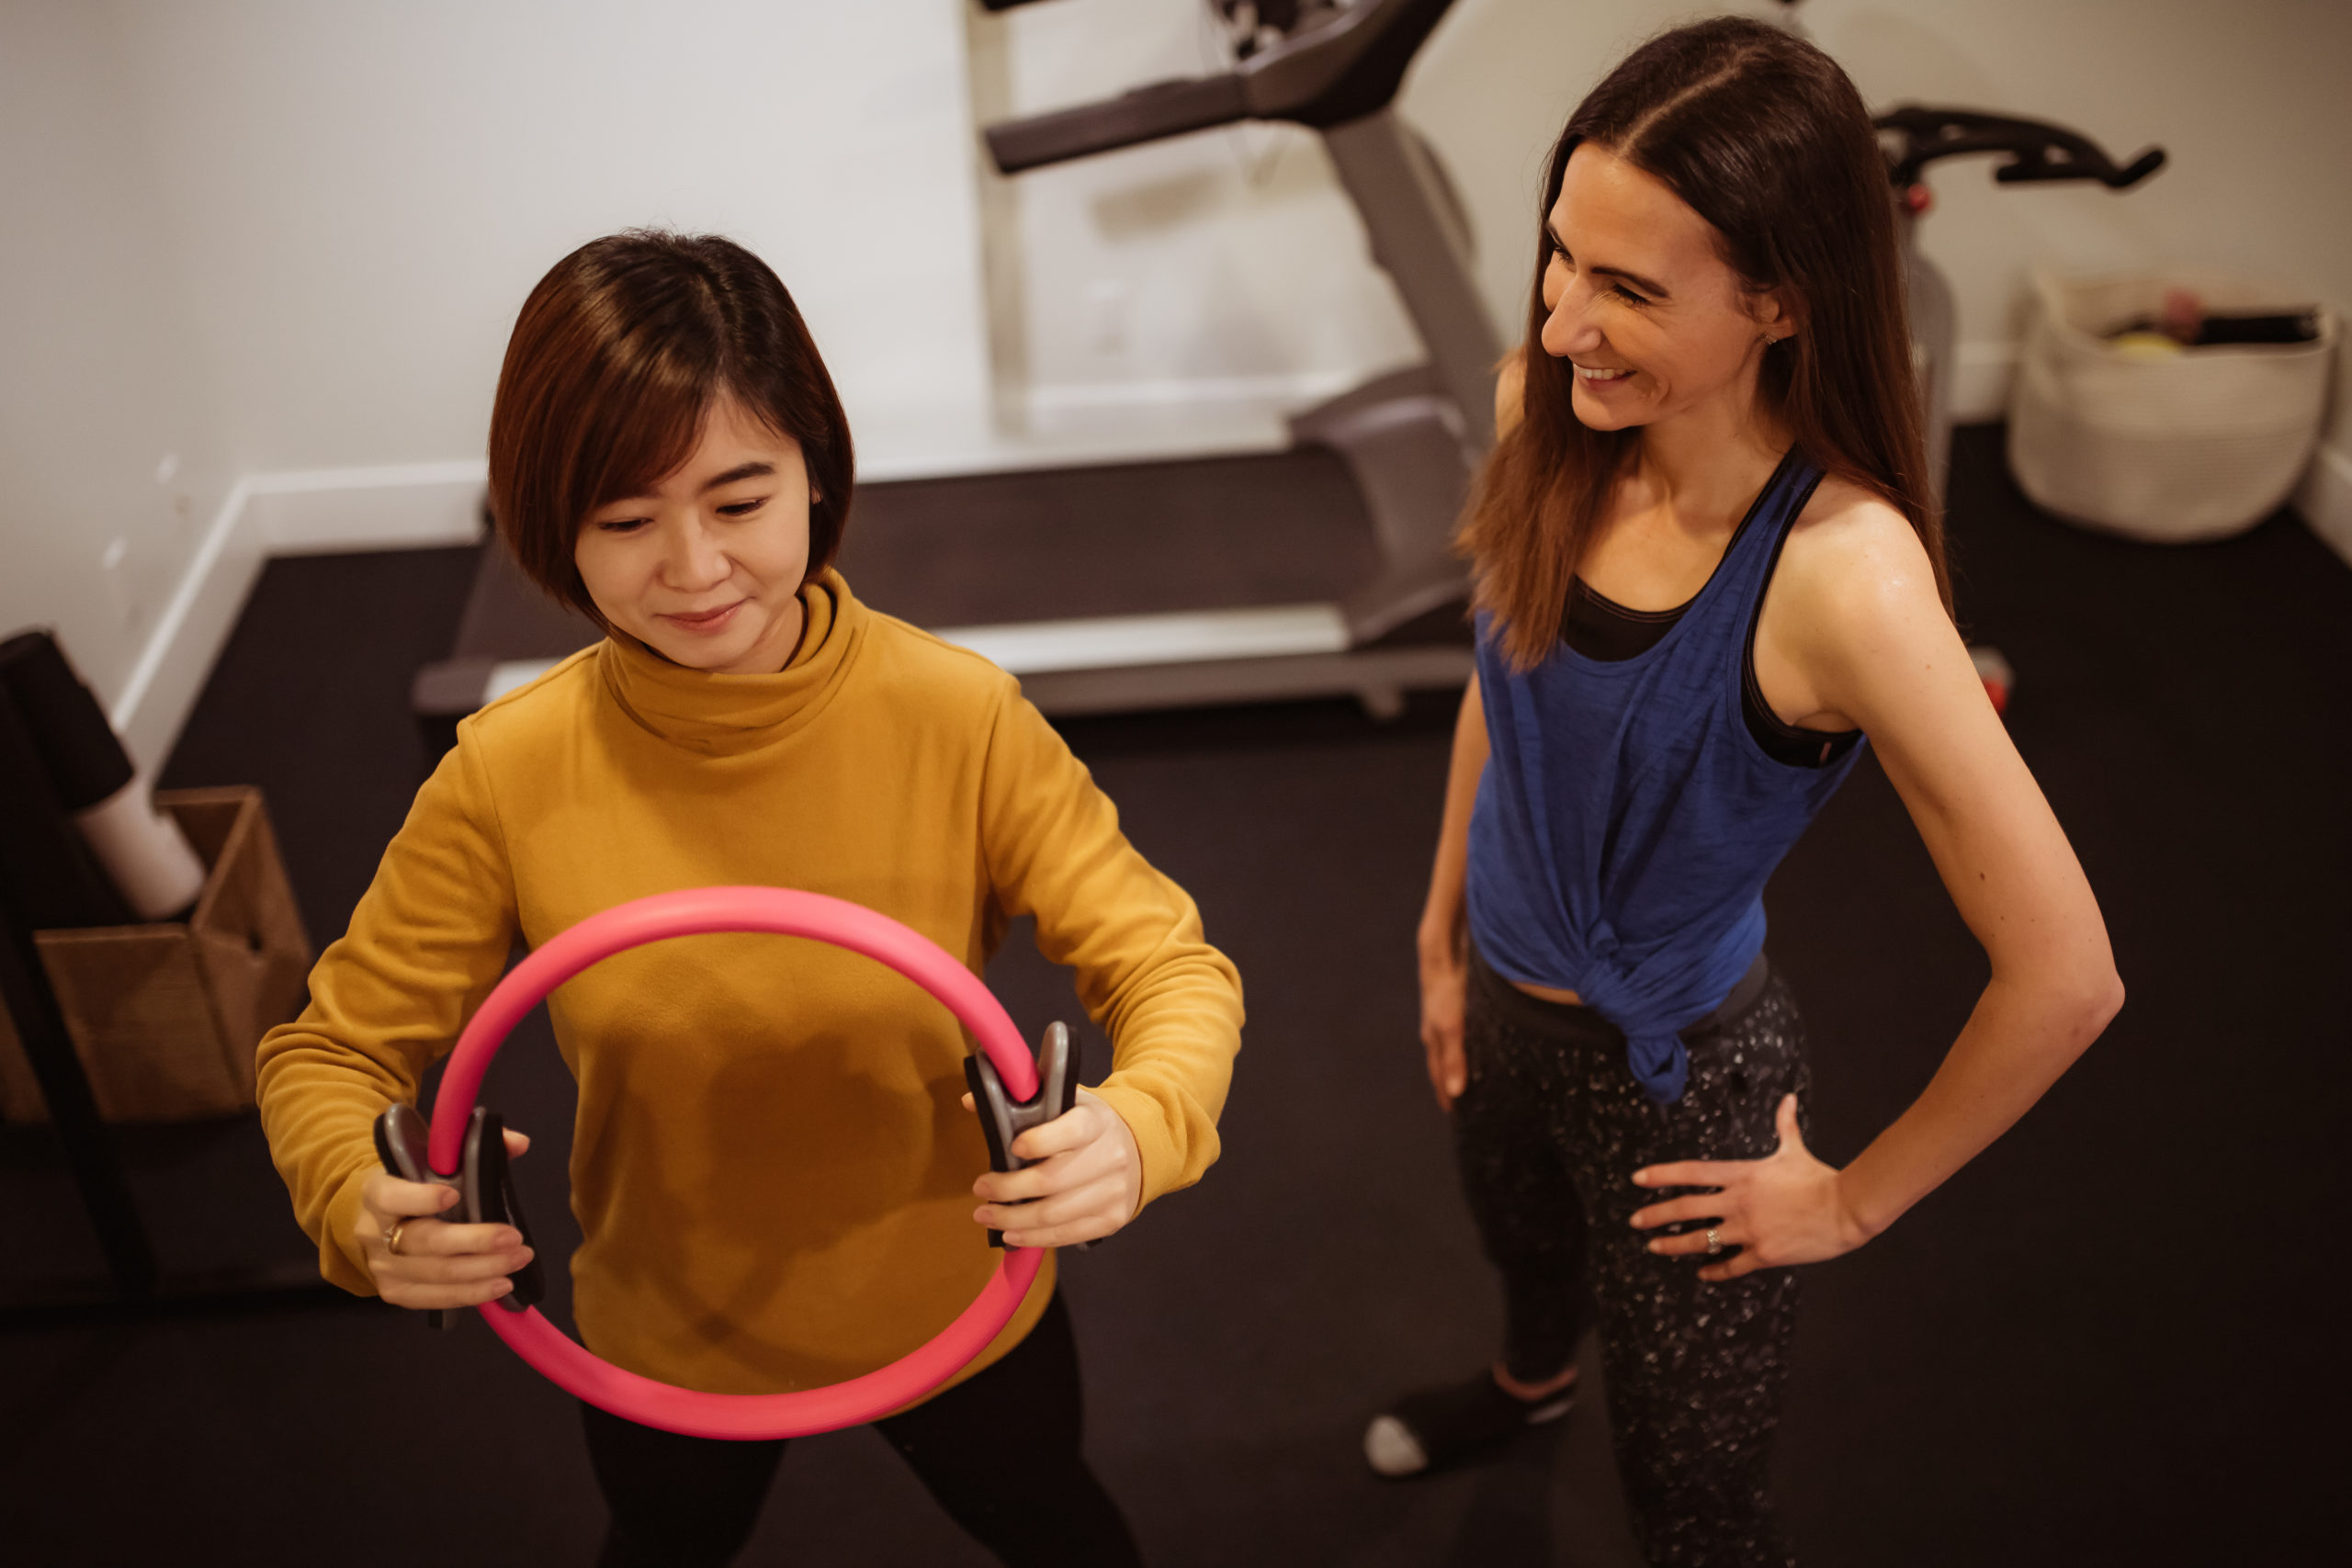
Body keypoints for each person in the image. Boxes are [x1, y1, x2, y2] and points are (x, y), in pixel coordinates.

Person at [255, 230, 1245, 1568]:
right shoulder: (508, 770)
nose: (693, 567)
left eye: (737, 500)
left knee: (1057, 1529)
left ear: (814, 472)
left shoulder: (957, 716)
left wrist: (1140, 1124)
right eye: (625, 521)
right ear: (551, 523)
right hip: (666, 1331)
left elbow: (1170, 968)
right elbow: (329, 1054)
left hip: (958, 1290)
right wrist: (354, 1198)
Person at [1363, 18, 2122, 1565]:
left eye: (1629, 290)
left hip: (1682, 1093)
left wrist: (1849, 1204)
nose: (1564, 321)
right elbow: (1507, 688)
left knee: (1695, 1504)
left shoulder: (1849, 581)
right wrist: (1441, 934)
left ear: (1779, 300)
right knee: (1522, 1259)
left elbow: (2069, 978)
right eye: (1561, 256)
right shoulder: (1544, 415)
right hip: (1500, 1005)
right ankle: (1526, 1388)